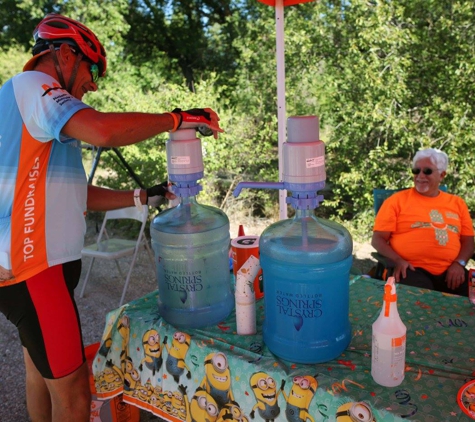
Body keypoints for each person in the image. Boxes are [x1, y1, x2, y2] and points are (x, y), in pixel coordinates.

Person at [0, 13, 223, 422]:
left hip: (33, 266)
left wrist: (141, 196)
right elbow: (103, 130)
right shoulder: (35, 87)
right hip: (36, 269)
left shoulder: (32, 112)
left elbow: (70, 194)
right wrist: (177, 119)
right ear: (65, 55)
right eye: (92, 68)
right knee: (73, 395)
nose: (93, 82)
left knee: (41, 374)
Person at [372, 148, 474, 295]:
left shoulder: (457, 203)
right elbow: (378, 239)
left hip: (451, 270)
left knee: (470, 302)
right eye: (416, 170)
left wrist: (459, 263)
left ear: (442, 175)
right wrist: (397, 260)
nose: (420, 176)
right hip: (410, 269)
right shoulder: (396, 201)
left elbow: (468, 242)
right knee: (420, 300)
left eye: (427, 171)